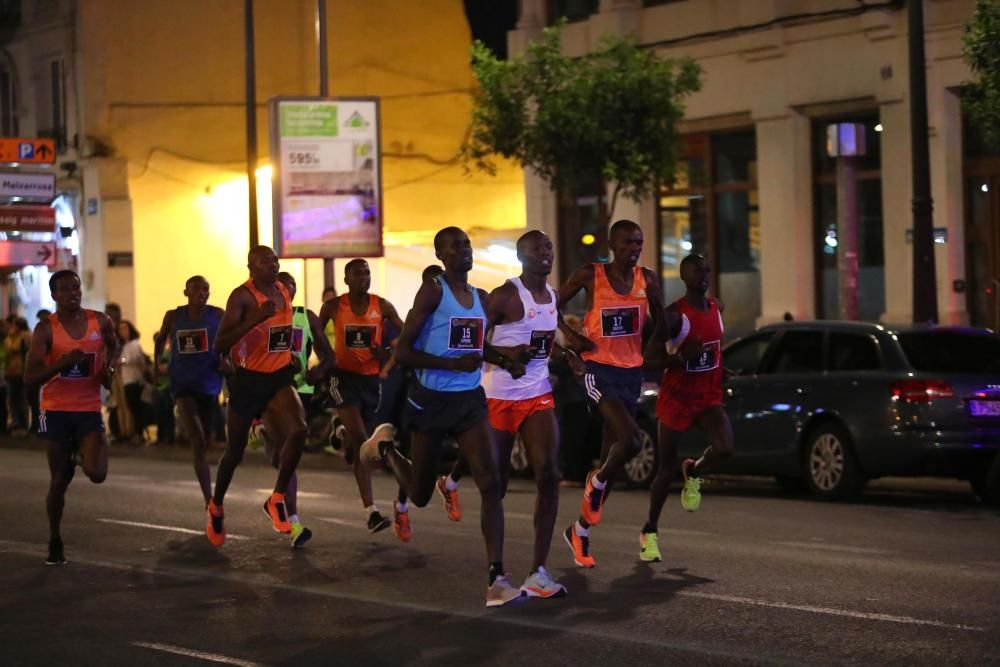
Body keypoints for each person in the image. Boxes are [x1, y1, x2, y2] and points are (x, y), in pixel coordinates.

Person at [359, 227, 526, 607]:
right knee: (418, 495)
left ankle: (496, 577)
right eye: (454, 246)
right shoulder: (433, 290)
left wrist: (504, 360)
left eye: (466, 243)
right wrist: (449, 365)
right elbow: (402, 354)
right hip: (431, 400)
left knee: (490, 481)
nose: (463, 250)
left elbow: (475, 348)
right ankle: (384, 448)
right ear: (441, 255)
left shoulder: (481, 297)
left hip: (468, 400)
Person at [438, 230, 575, 599]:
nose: (544, 253)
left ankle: (538, 572)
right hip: (497, 397)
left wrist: (569, 355)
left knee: (549, 473)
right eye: (535, 249)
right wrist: (503, 358)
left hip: (537, 394)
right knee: (493, 486)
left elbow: (543, 340)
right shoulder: (505, 296)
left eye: (548, 246)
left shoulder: (552, 297)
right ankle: (496, 578)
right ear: (521, 256)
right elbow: (471, 338)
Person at [558, 219, 663, 568]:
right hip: (597, 370)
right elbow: (549, 304)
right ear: (612, 244)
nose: (635, 248)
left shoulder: (647, 280)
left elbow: (661, 324)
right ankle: (595, 481)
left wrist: (649, 353)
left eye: (639, 242)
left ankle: (580, 531)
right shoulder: (591, 275)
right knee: (631, 442)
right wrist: (569, 337)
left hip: (631, 375)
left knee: (612, 463)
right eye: (629, 242)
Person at [206, 245, 311, 549]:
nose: (274, 265)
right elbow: (220, 343)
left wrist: (290, 353)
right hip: (249, 379)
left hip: (278, 376)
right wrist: (253, 318)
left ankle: (276, 499)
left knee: (299, 430)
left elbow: (281, 331)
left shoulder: (283, 290)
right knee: (234, 454)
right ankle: (216, 505)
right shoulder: (242, 296)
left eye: (276, 260)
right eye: (266, 261)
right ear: (251, 267)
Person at [641, 253, 734, 561]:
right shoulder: (673, 317)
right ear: (684, 276)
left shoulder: (717, 308)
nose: (704, 275)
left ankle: (694, 470)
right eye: (697, 271)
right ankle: (649, 531)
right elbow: (648, 360)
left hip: (708, 396)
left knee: (724, 448)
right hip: (677, 399)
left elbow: (713, 347)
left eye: (707, 270)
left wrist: (720, 367)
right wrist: (679, 359)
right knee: (665, 471)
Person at [24, 270, 119, 564]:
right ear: (53, 295)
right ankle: (55, 538)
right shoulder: (45, 330)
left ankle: (80, 455)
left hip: (88, 407)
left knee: (98, 473)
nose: (72, 293)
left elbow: (113, 347)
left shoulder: (100, 321)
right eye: (64, 289)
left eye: (75, 288)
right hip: (55, 410)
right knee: (58, 481)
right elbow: (30, 378)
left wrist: (108, 370)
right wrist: (61, 364)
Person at [318, 259, 405, 534]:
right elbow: (316, 334)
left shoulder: (382, 306)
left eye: (367, 272)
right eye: (357, 273)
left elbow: (406, 335)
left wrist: (388, 355)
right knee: (363, 442)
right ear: (347, 279)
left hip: (370, 382)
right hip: (342, 378)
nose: (364, 277)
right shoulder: (333, 307)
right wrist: (325, 359)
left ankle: (339, 429)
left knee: (360, 449)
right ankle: (371, 511)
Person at [153, 276, 226, 504]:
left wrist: (228, 360)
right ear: (186, 292)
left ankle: (210, 495)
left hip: (210, 382)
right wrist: (157, 365)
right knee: (197, 438)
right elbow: (160, 339)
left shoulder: (218, 315)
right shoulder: (174, 316)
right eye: (196, 290)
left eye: (205, 290)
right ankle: (209, 499)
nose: (201, 294)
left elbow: (229, 340)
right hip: (182, 382)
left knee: (203, 441)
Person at [118, 320, 148, 444]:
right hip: (127, 379)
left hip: (134, 379)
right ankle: (135, 433)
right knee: (131, 407)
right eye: (120, 329)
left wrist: (122, 361)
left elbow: (134, 359)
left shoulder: (134, 344)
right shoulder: (125, 346)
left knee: (135, 408)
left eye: (125, 328)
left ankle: (139, 434)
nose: (123, 332)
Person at [4, 317, 30, 434]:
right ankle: (18, 423)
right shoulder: (12, 337)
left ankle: (20, 424)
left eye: (14, 325)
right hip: (13, 372)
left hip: (19, 372)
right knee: (15, 399)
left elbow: (13, 349)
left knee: (18, 399)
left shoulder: (24, 337)